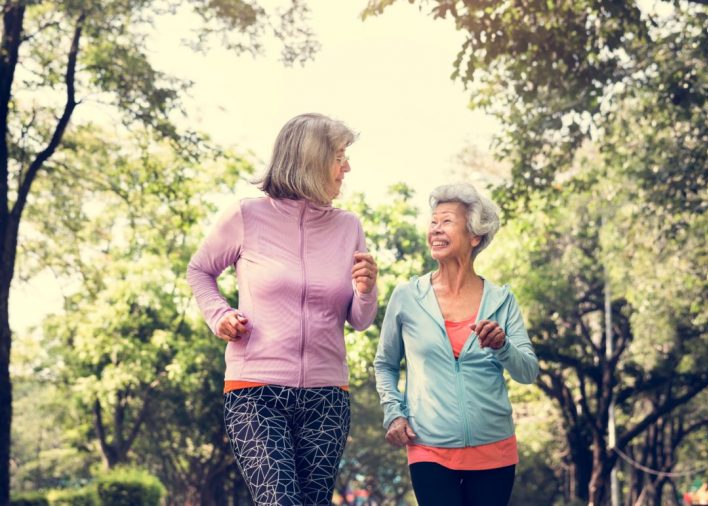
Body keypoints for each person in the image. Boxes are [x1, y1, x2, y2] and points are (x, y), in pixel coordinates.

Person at [187, 113, 379, 505]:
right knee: (279, 500)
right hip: (256, 391)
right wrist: (219, 315)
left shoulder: (348, 226)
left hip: (327, 396)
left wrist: (367, 289)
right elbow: (200, 271)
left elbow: (360, 320)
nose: (347, 167)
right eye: (339, 156)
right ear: (311, 160)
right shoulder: (247, 216)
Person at [374, 182, 538, 506]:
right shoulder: (407, 297)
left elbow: (528, 371)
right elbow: (386, 363)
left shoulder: (501, 301)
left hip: (494, 449)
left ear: (475, 235)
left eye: (446, 221)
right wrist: (394, 413)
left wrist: (503, 346)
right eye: (433, 221)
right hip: (428, 447)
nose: (435, 229)